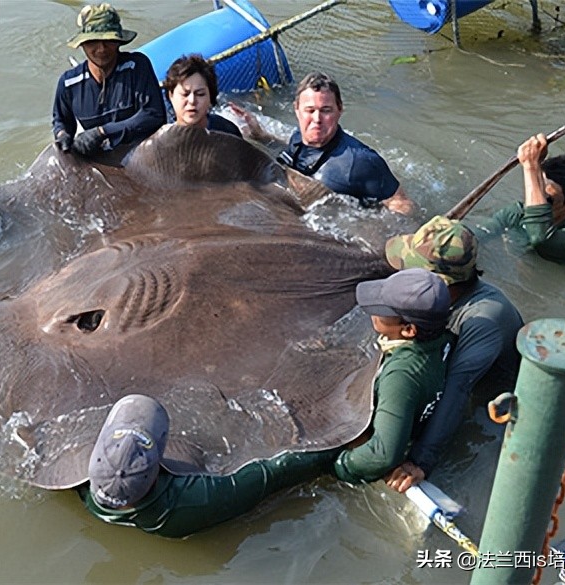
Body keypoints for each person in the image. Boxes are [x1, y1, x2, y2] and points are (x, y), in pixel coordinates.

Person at [382, 216, 524, 492]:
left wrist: (420, 461)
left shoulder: (484, 319)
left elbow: (458, 390)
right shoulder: (441, 300)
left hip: (491, 404)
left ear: (441, 281)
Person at [80, 394, 339, 538]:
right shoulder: (197, 499)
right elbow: (276, 472)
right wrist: (339, 445)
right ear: (156, 471)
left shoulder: (76, 481)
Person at [230, 72, 415, 215]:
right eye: (309, 110)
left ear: (340, 110)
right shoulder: (298, 137)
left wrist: (372, 233)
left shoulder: (360, 161)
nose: (317, 119)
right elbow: (294, 154)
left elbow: (402, 203)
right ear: (297, 109)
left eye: (326, 110)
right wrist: (260, 136)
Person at [332, 269, 454, 485]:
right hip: (410, 411)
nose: (373, 314)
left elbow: (384, 455)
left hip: (380, 437)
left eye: (380, 311)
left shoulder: (401, 375)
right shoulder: (445, 337)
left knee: (281, 466)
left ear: (408, 330)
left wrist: (343, 465)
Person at [52, 4, 166, 158]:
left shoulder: (137, 66)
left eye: (109, 40)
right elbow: (61, 121)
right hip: (98, 157)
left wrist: (102, 132)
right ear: (82, 44)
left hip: (139, 156)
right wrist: (62, 135)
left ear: (119, 41)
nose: (101, 49)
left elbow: (153, 115)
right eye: (93, 41)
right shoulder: (68, 83)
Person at [470, 133, 565, 264]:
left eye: (548, 199)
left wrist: (531, 167)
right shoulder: (517, 214)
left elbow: (540, 237)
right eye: (536, 192)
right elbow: (476, 237)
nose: (536, 202)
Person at [162, 54, 242, 137]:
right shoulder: (160, 143)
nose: (192, 101)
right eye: (185, 94)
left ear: (210, 97)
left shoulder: (228, 131)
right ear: (171, 95)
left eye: (200, 94)